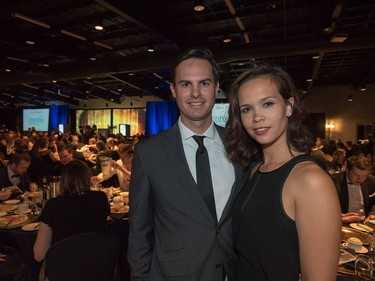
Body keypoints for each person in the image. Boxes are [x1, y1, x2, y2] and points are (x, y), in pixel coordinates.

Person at [127, 49, 249, 281]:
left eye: (204, 83)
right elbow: (139, 232)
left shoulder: (240, 146)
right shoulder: (149, 153)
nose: (195, 93)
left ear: (216, 88)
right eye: (185, 84)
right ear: (173, 91)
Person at [225, 64, 341, 281]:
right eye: (246, 109)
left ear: (289, 107)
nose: (256, 117)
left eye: (267, 104)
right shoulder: (253, 171)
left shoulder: (310, 181)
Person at [33, 160, 110, 262]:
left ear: (63, 180)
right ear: (87, 178)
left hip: (64, 269)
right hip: (98, 264)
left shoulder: (53, 205)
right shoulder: (101, 198)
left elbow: (39, 255)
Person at [331, 155, 375, 223]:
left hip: (365, 223)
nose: (360, 179)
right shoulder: (333, 182)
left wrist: (372, 214)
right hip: (341, 223)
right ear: (347, 170)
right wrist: (339, 217)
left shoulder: (371, 181)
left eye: (364, 176)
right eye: (356, 175)